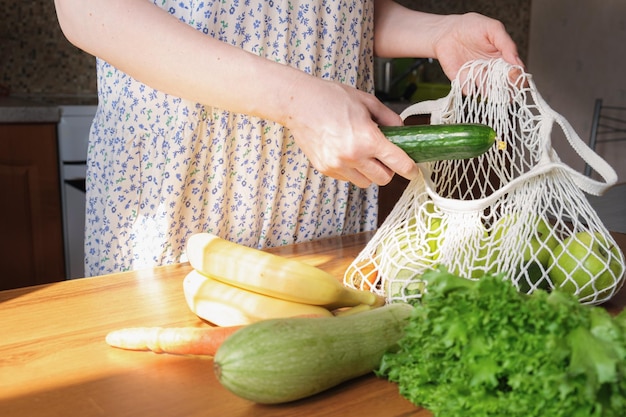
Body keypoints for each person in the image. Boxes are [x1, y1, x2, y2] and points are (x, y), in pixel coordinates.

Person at [54, 0, 523, 277]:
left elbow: (334, 13)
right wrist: (295, 100)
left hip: (318, 198)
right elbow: (87, 10)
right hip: (182, 184)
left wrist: (438, 31)